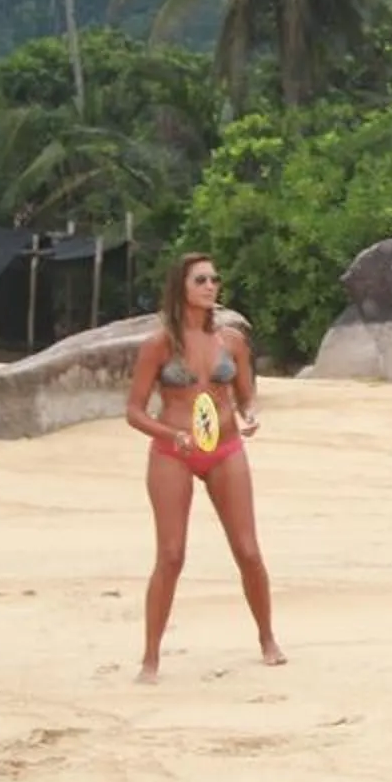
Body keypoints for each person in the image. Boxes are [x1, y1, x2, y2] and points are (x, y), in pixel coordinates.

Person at [125, 253, 283, 682]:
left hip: (225, 448)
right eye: (201, 280)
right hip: (173, 450)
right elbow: (134, 411)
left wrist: (250, 414)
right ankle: (150, 658)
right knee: (171, 554)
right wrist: (170, 434)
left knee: (247, 550)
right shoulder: (159, 345)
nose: (211, 286)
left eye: (215, 278)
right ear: (181, 286)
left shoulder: (231, 341)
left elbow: (245, 394)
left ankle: (267, 637)